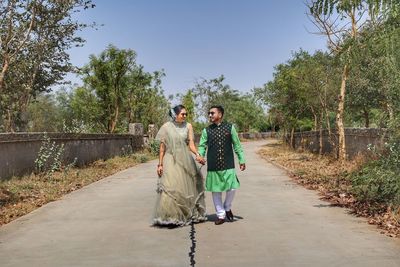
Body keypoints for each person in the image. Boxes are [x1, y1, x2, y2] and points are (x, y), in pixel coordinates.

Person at [152, 105, 207, 226]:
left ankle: (188, 214)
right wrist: (160, 164)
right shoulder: (166, 127)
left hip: (185, 159)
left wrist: (198, 155)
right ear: (175, 115)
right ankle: (171, 216)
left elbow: (191, 144)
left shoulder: (188, 126)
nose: (185, 116)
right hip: (171, 159)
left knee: (189, 186)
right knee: (172, 187)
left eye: (186, 114)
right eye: (183, 114)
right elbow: (162, 148)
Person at [198, 105, 246, 225]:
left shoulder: (230, 128)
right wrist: (200, 156)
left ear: (220, 114)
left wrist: (242, 159)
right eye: (209, 113)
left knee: (232, 187)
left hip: (228, 164)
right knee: (216, 191)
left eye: (212, 113)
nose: (210, 115)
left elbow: (237, 145)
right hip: (213, 165)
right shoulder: (206, 130)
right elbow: (202, 145)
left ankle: (227, 206)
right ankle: (221, 214)